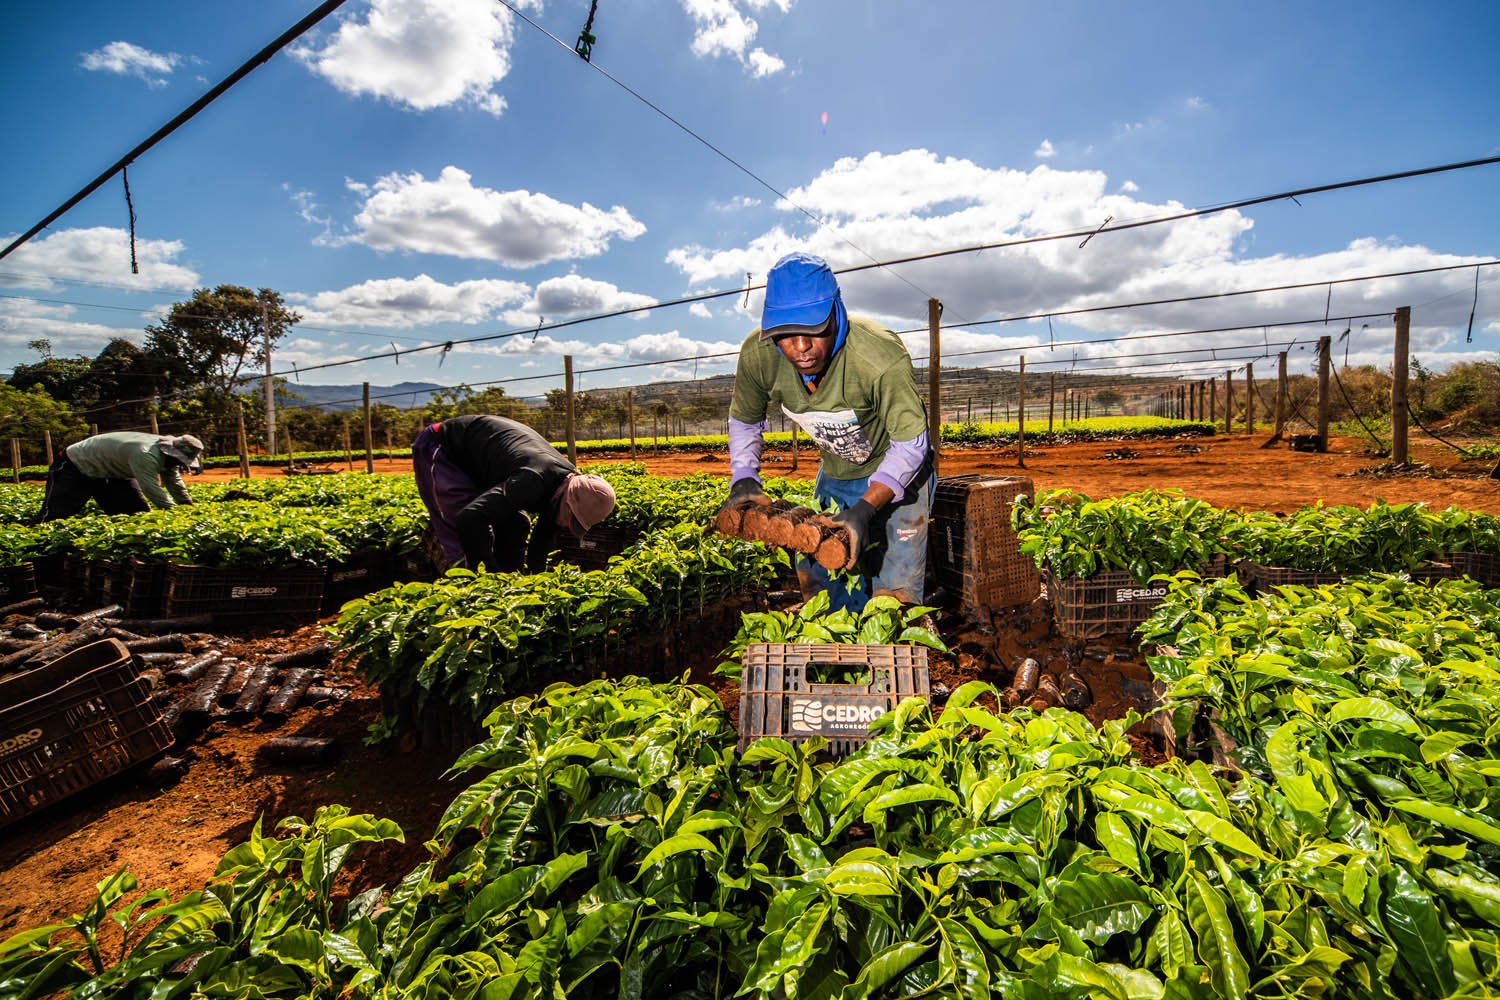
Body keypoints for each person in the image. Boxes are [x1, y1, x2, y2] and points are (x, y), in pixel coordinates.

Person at [726, 251, 934, 612]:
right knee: (820, 572)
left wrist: (866, 509)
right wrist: (744, 477)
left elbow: (911, 444)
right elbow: (745, 420)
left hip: (900, 474)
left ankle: (887, 658)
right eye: (786, 336)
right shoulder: (758, 355)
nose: (801, 348)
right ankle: (831, 658)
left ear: (836, 310)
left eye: (813, 332)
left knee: (892, 593)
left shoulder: (878, 356)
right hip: (837, 470)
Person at [412, 414, 617, 573]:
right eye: (572, 519)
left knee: (517, 524)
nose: (567, 526)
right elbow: (469, 517)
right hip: (443, 448)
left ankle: (504, 584)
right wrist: (488, 572)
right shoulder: (534, 480)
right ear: (568, 503)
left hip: (481, 465)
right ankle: (467, 605)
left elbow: (542, 541)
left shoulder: (562, 489)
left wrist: (531, 586)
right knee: (464, 540)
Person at [41, 432, 203, 521]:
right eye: (180, 460)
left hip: (113, 473)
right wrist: (176, 514)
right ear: (172, 453)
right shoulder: (146, 454)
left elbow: (173, 481)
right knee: (55, 516)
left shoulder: (169, 460)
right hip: (77, 465)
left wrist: (186, 506)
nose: (179, 464)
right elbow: (150, 488)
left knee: (135, 514)